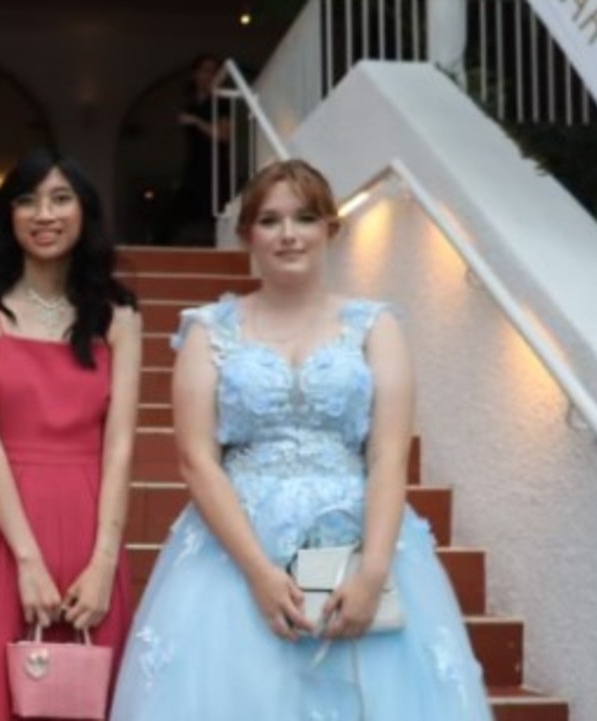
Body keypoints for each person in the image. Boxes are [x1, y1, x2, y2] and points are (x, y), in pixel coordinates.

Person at [110, 159, 492, 719]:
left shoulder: (376, 327)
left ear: (330, 230)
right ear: (247, 236)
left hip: (358, 542)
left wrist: (373, 571)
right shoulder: (209, 330)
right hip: (235, 553)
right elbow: (196, 460)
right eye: (270, 220)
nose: (288, 234)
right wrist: (261, 574)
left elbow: (388, 456)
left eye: (305, 218)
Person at [0, 148, 141, 720]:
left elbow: (123, 444)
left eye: (61, 199)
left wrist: (104, 561)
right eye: (28, 201)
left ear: (85, 213)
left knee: (88, 697)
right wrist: (27, 560)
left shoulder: (119, 316)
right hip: (3, 529)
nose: (45, 214)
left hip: (92, 523)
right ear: (9, 216)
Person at [155, 53, 230, 247]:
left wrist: (196, 122)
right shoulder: (190, 105)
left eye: (214, 71)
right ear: (196, 74)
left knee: (213, 208)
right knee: (180, 208)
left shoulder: (221, 102)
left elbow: (223, 135)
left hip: (215, 163)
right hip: (195, 163)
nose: (210, 75)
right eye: (206, 71)